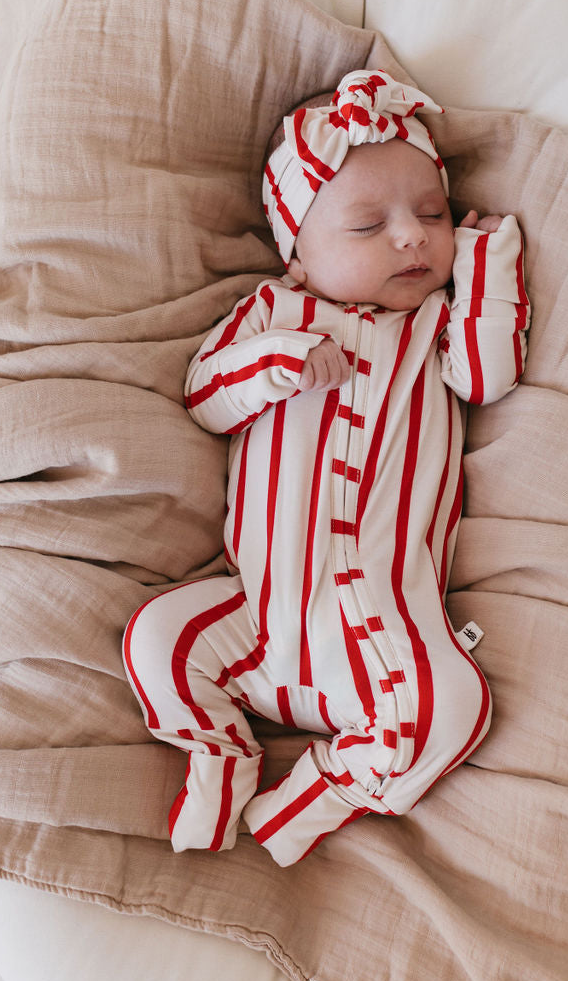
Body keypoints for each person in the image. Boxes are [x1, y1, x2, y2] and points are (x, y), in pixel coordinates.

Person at [122, 69, 530, 866]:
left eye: (433, 214)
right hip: (259, 623)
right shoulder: (275, 313)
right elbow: (206, 394)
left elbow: (487, 376)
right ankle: (220, 751)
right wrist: (272, 365)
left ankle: (320, 794)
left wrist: (486, 264)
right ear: (298, 257)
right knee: (156, 638)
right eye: (369, 225)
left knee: (457, 707)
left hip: (384, 640)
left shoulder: (435, 325)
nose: (412, 237)